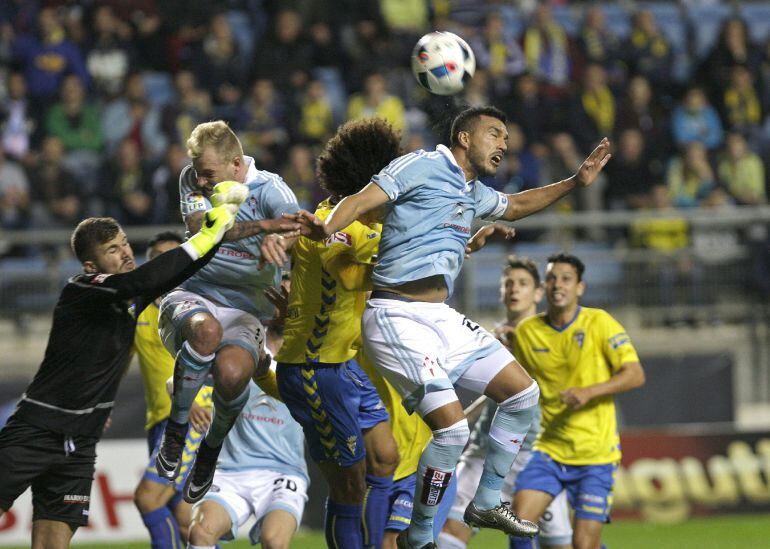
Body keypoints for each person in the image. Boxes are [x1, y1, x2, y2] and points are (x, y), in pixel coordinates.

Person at [295, 105, 611, 548]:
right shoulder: (422, 164)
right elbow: (363, 200)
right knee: (453, 430)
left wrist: (576, 182)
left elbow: (516, 205)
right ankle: (420, 536)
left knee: (523, 394)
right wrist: (326, 225)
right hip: (395, 316)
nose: (504, 143)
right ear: (465, 138)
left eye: (506, 136)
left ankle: (484, 501)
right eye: (495, 133)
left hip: (440, 316)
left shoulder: (474, 192)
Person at [0, 183, 247, 549]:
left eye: (125, 244)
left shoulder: (131, 294)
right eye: (112, 250)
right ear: (91, 265)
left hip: (81, 441)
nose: (125, 253)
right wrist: (210, 232)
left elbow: (178, 272)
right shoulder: (83, 289)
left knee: (53, 541)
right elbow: (141, 278)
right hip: (38, 429)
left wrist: (220, 231)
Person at [155, 120, 301, 504]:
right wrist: (263, 227)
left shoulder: (272, 189)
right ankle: (177, 428)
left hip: (247, 307)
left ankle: (210, 450)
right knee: (206, 335)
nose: (201, 181)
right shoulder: (191, 177)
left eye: (210, 174)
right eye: (199, 173)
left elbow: (295, 226)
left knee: (233, 374)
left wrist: (280, 237)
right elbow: (201, 226)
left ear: (236, 165)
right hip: (194, 290)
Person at [275, 118, 401, 549]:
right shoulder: (335, 224)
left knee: (385, 458)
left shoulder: (364, 225)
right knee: (348, 487)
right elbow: (350, 276)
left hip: (342, 364)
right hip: (314, 370)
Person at [512, 253, 646, 549]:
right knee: (518, 523)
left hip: (595, 455)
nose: (558, 284)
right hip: (550, 450)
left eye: (566, 279)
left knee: (584, 544)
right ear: (544, 286)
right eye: (551, 278)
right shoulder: (526, 332)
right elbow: (518, 384)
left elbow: (635, 374)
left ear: (580, 288)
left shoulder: (599, 322)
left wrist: (589, 392)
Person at [439, 256, 572, 549]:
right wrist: (461, 417)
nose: (514, 289)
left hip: (535, 456)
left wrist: (524, 353)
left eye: (523, 284)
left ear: (538, 293)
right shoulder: (489, 338)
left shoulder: (555, 339)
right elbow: (493, 395)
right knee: (451, 528)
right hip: (484, 450)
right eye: (508, 283)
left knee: (557, 543)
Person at [188, 309, 309, 549]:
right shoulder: (241, 351)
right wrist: (189, 404)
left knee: (274, 541)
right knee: (199, 532)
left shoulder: (307, 359)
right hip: (230, 470)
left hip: (282, 471)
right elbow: (178, 380)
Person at [132, 232, 214, 549]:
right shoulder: (138, 311)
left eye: (172, 255)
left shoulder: (197, 306)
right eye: (157, 258)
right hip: (158, 419)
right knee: (182, 516)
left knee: (149, 498)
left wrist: (190, 397)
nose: (165, 263)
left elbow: (213, 357)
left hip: (191, 415)